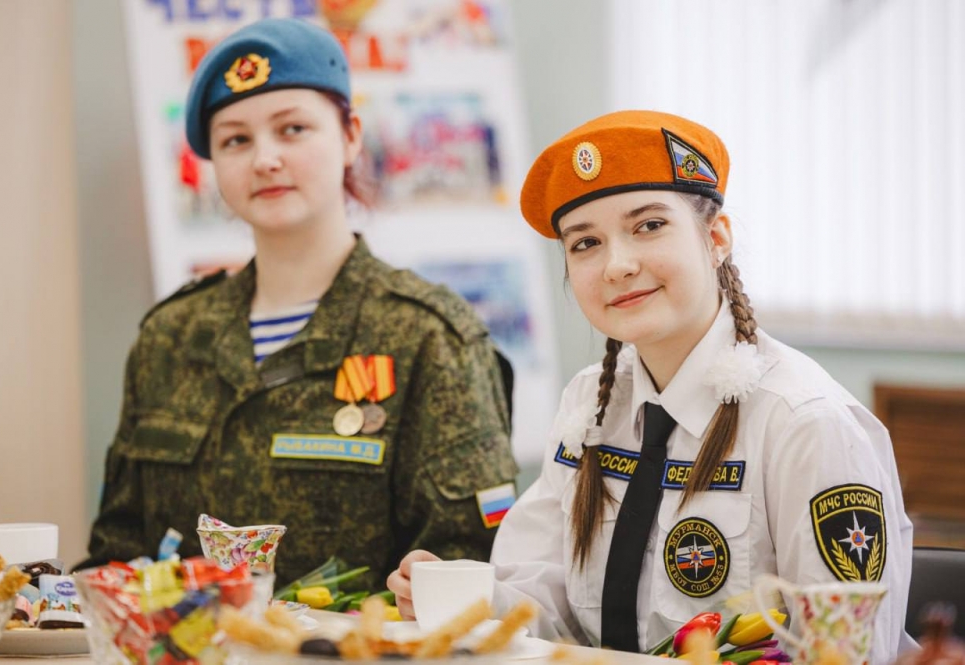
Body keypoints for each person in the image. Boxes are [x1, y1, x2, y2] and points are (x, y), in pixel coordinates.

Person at [388, 111, 915, 660]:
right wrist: (463, 598)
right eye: (585, 243)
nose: (616, 265)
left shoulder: (805, 421)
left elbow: (849, 651)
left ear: (716, 238)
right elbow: (545, 607)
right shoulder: (589, 404)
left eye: (648, 226)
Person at [81, 17, 518, 588]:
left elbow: (471, 568)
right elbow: (116, 555)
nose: (264, 159)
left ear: (351, 135)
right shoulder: (170, 336)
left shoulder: (430, 336)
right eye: (236, 140)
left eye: (292, 129)